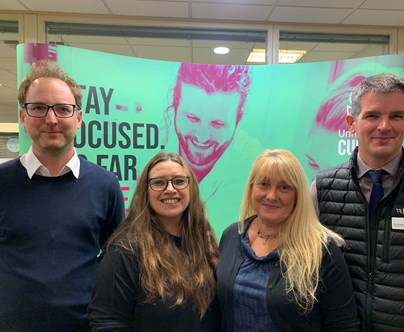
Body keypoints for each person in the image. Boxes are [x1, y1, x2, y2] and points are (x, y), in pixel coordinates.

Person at [0, 60, 125, 330]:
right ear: (23, 116)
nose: (51, 119)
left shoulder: (106, 185)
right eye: (38, 108)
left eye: (63, 109)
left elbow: (116, 263)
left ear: (78, 118)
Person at [311, 73, 404, 331]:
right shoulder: (322, 189)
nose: (384, 126)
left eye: (396, 116)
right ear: (352, 123)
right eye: (372, 116)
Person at [216, 149, 358, 331]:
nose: (272, 196)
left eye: (284, 187)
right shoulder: (232, 235)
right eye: (264, 184)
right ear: (251, 188)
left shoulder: (321, 249)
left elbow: (343, 325)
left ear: (298, 195)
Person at [88, 152, 220, 331]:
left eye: (179, 181)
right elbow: (108, 323)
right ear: (145, 191)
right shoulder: (125, 251)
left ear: (191, 188)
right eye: (159, 182)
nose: (170, 189)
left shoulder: (206, 244)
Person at [163, 62, 263, 236]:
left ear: (237, 121)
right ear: (175, 107)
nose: (202, 137)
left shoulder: (257, 167)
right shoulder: (147, 148)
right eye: (192, 118)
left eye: (217, 124)